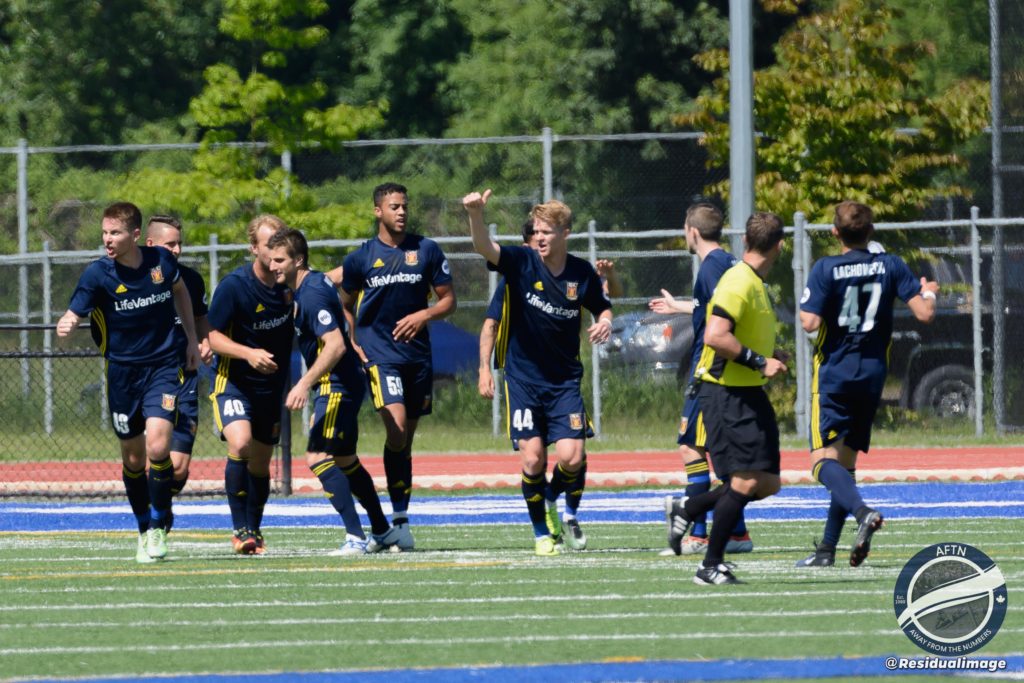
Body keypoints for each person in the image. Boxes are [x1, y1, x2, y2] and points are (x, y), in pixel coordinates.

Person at [464, 189, 613, 556]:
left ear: (565, 233)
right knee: (532, 458)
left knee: (572, 458)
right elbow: (484, 247)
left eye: (547, 231)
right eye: (537, 231)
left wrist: (605, 321)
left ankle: (549, 495)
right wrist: (475, 215)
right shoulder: (522, 262)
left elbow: (602, 306)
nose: (540, 237)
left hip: (564, 381)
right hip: (524, 379)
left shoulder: (580, 272)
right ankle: (541, 533)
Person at [57, 202, 201, 563]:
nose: (108, 239)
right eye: (105, 233)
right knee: (134, 460)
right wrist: (69, 320)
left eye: (115, 233)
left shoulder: (160, 262)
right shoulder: (98, 274)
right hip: (123, 375)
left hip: (163, 367)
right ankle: (142, 528)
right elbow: (76, 308)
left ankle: (158, 525)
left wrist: (191, 339)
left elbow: (181, 291)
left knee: (158, 446)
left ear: (135, 235)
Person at [797, 201, 938, 567]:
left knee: (820, 463)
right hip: (873, 374)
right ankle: (827, 550)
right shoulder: (890, 264)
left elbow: (809, 322)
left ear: (835, 233)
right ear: (870, 231)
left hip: (835, 373)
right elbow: (924, 312)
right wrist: (930, 291)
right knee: (845, 466)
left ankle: (862, 512)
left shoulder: (826, 267)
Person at [666, 212, 789, 585]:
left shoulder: (752, 280)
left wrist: (770, 355)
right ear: (780, 246)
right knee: (745, 481)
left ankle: (689, 507)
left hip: (747, 390)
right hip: (724, 391)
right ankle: (710, 564)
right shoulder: (738, 279)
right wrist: (759, 361)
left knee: (767, 483)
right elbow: (715, 336)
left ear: (746, 240)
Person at [267, 228, 403, 555]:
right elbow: (339, 280)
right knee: (345, 459)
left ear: (299, 260)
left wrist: (303, 383)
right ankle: (382, 530)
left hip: (336, 385)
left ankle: (355, 536)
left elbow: (335, 345)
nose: (273, 266)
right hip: (345, 381)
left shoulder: (311, 294)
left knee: (318, 457)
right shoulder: (315, 282)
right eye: (271, 260)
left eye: (280, 260)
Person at [339, 182, 457, 551]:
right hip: (379, 355)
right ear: (378, 211)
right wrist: (351, 339)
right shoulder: (361, 258)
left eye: (404, 206)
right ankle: (386, 518)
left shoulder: (426, 250)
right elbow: (344, 304)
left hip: (417, 357)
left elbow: (449, 300)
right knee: (397, 427)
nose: (401, 212)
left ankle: (400, 520)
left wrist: (424, 315)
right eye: (394, 206)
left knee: (405, 441)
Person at [649, 203, 753, 556]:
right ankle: (736, 533)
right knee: (721, 454)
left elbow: (721, 320)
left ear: (692, 232)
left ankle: (697, 535)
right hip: (724, 368)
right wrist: (680, 307)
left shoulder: (710, 268)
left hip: (709, 368)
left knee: (692, 448)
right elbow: (717, 309)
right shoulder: (729, 263)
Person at [207, 214, 294, 555]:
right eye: (268, 244)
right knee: (241, 443)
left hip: (270, 390)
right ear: (254, 248)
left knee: (260, 464)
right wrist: (248, 354)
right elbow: (212, 336)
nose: (274, 251)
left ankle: (254, 531)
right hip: (234, 383)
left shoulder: (290, 285)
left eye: (280, 243)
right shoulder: (235, 286)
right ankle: (239, 529)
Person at [145, 215, 214, 527]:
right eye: (169, 244)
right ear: (150, 245)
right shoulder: (138, 280)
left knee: (180, 467)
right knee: (155, 454)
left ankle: (161, 505)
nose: (176, 249)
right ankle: (154, 519)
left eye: (179, 243)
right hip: (150, 378)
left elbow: (200, 319)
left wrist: (204, 342)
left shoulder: (192, 280)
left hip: (184, 378)